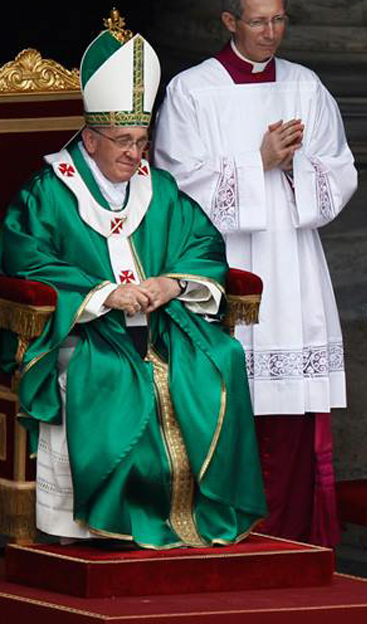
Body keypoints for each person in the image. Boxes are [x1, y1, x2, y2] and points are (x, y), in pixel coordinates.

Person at [0, 24, 266, 548]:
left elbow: (202, 244)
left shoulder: (159, 189)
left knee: (222, 357)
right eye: (123, 142)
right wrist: (104, 294)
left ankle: (198, 511)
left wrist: (173, 283)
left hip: (163, 324)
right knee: (114, 378)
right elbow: (24, 259)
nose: (135, 154)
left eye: (142, 141)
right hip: (88, 332)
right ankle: (112, 519)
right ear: (91, 139)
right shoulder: (47, 194)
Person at [153, 0, 357, 546]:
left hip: (292, 264)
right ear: (229, 21)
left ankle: (295, 539)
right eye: (259, 22)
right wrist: (257, 160)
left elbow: (341, 171)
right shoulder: (192, 91)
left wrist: (298, 166)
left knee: (290, 414)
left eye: (280, 20)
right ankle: (219, 534)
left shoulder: (306, 86)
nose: (271, 33)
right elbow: (174, 186)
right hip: (224, 264)